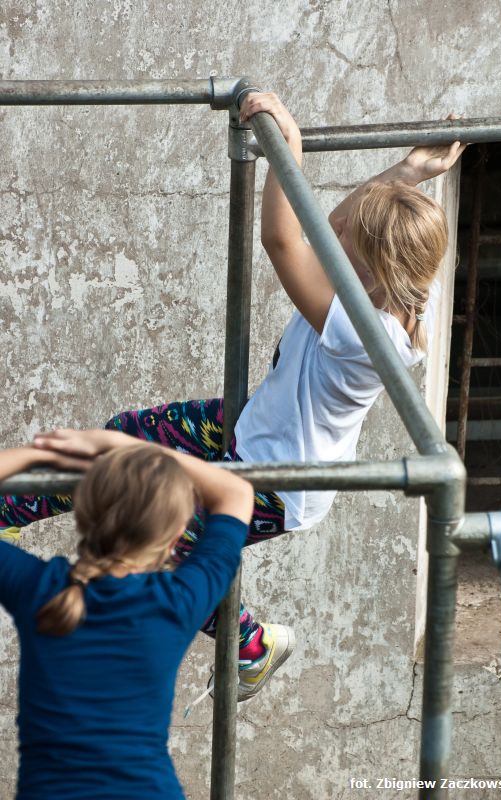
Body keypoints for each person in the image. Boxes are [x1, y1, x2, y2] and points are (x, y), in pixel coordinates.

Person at [0, 93, 466, 700]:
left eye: (353, 236)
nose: (339, 229)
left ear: (372, 265)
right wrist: (407, 173)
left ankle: (251, 647)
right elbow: (331, 229)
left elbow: (284, 240)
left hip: (280, 478)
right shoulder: (400, 290)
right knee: (122, 438)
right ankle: (12, 511)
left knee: (160, 540)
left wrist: (287, 148)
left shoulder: (361, 332)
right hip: (252, 427)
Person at [0, 427, 254, 799]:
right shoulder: (179, 600)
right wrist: (118, 443)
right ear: (177, 535)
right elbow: (236, 492)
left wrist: (44, 454)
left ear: (83, 515)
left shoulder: (40, 589)